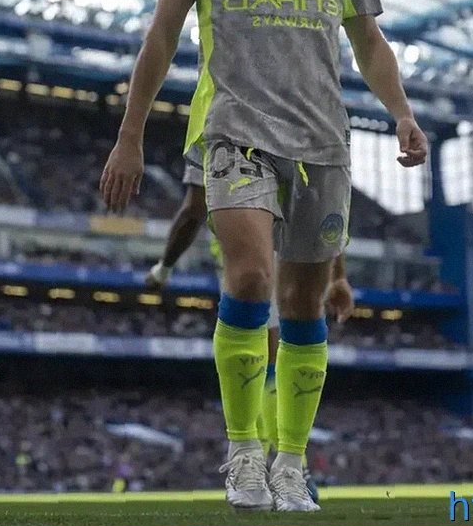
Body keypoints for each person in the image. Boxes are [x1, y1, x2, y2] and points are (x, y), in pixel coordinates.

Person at [101, 0, 427, 512]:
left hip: (324, 143)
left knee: (304, 304)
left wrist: (401, 113)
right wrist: (130, 136)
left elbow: (369, 42)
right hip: (236, 132)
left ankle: (290, 463)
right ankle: (244, 454)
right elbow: (161, 36)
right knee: (249, 278)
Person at [148, 145, 355, 476]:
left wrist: (164, 268)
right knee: (273, 357)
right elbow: (324, 203)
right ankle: (285, 465)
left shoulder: (206, 129)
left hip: (245, 258)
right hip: (291, 250)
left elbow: (192, 212)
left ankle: (263, 462)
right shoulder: (298, 124)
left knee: (262, 358)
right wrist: (337, 272)